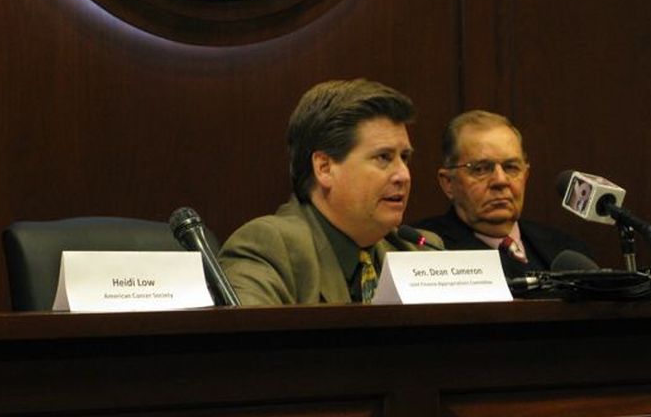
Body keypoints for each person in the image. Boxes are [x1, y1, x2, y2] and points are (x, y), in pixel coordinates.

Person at [218, 78, 443, 305]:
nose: (403, 175)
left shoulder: (418, 252)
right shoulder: (268, 248)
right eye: (383, 157)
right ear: (324, 168)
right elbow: (253, 338)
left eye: (404, 158)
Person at [414, 110, 593, 278]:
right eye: (481, 169)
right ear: (448, 183)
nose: (500, 181)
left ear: (526, 175)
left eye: (511, 167)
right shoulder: (424, 251)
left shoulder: (567, 251)